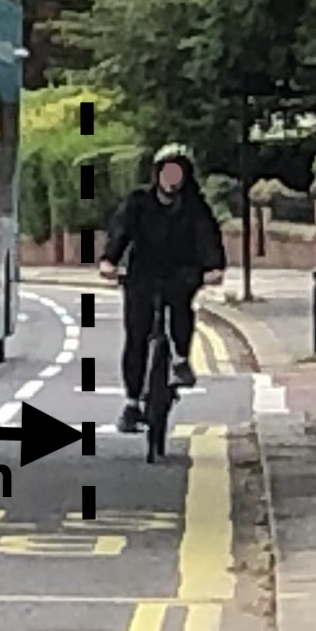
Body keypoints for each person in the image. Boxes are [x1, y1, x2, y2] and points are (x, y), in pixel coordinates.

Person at [97, 143, 227, 433]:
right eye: (167, 171)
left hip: (181, 272)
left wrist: (213, 267)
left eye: (177, 172)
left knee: (181, 307)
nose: (172, 178)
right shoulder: (139, 201)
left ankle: (180, 358)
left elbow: (207, 236)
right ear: (157, 174)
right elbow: (121, 231)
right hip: (143, 274)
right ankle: (131, 403)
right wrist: (109, 261)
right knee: (136, 336)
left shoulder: (194, 206)